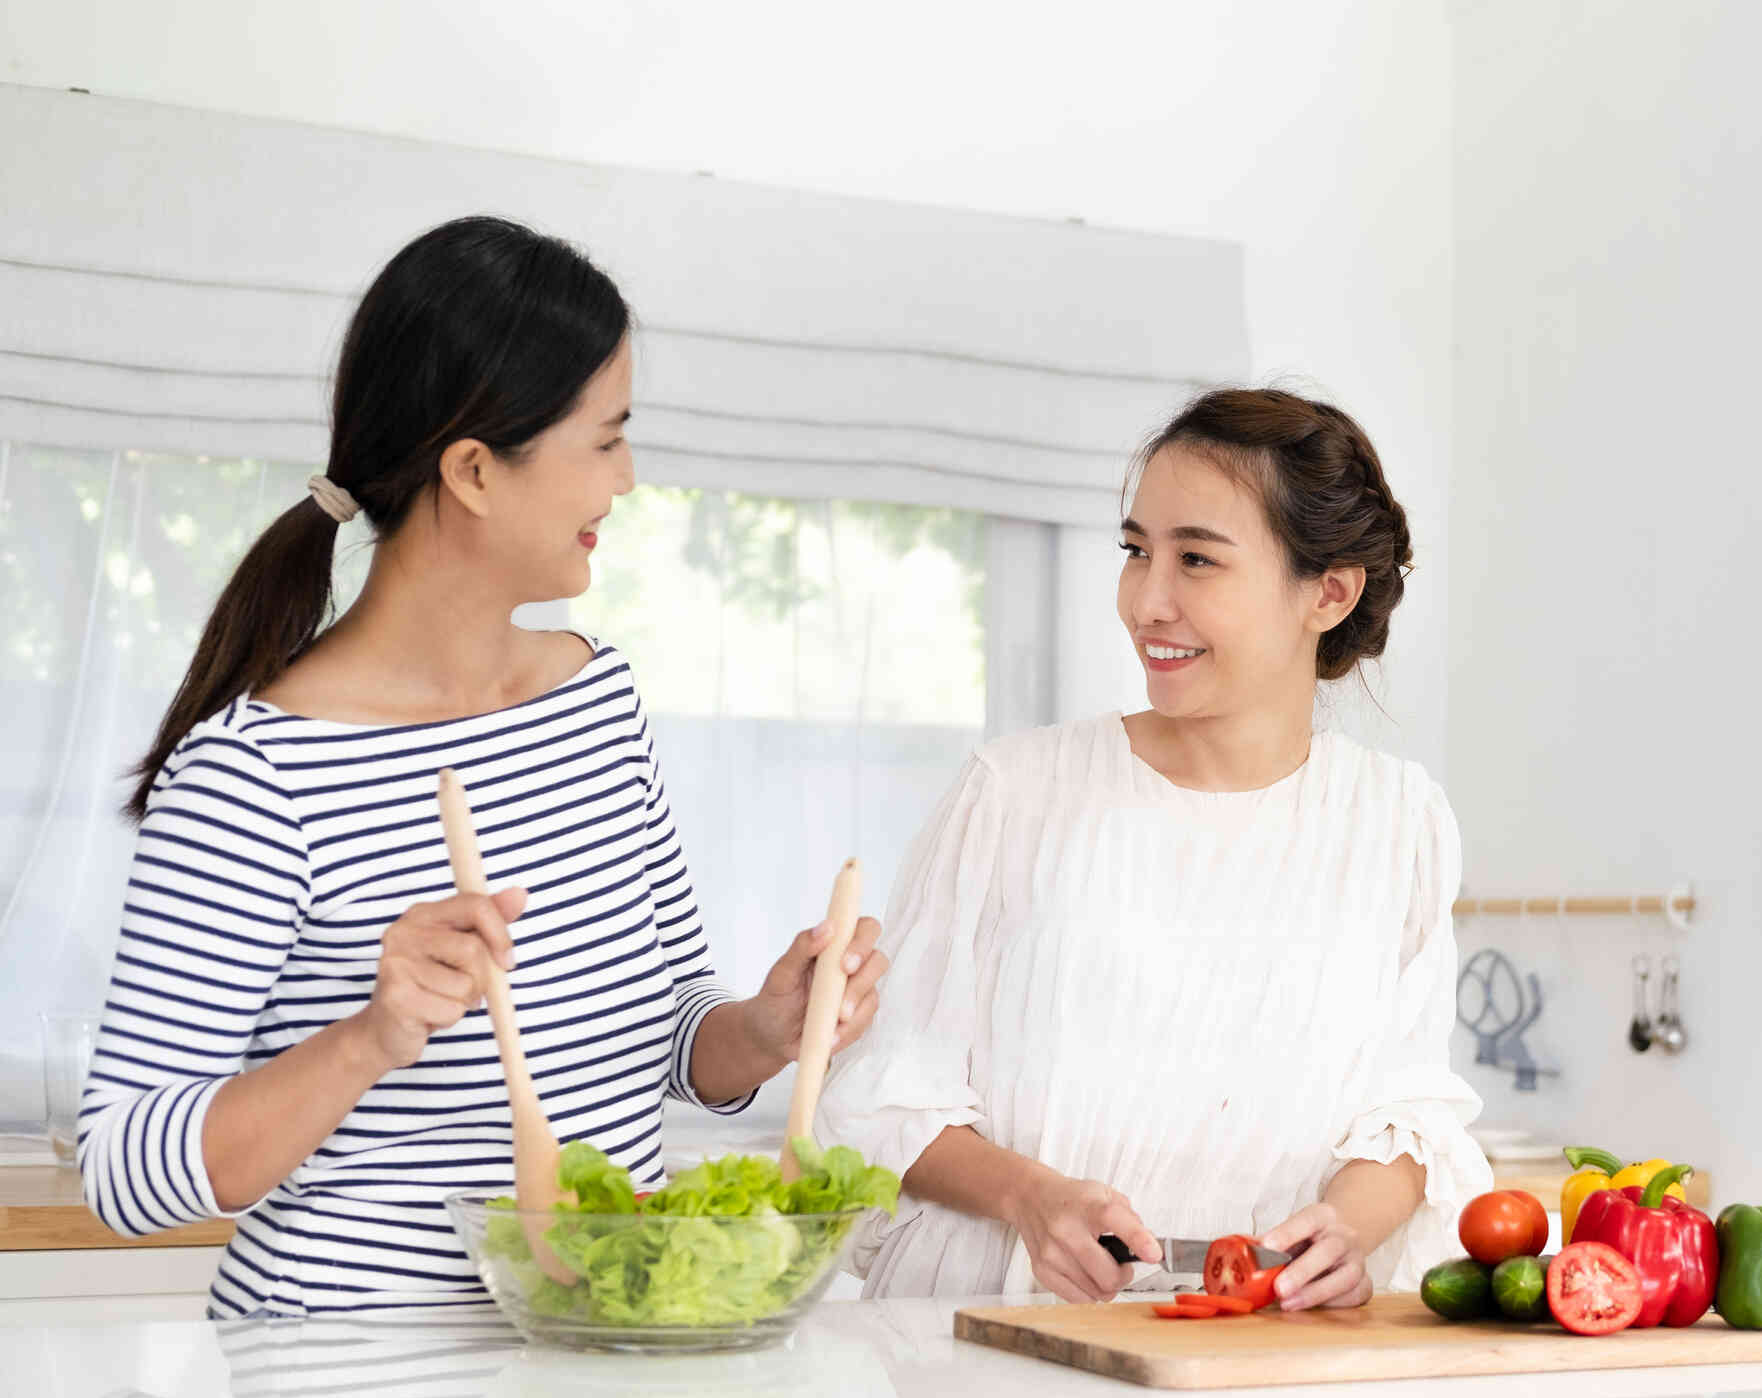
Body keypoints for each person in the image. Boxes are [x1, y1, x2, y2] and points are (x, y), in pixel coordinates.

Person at [77, 216, 888, 1318]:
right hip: (343, 1374)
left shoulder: (596, 697)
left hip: (594, 1352)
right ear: (473, 470)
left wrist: (765, 1027)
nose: (629, 477)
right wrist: (373, 1034)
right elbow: (122, 1170)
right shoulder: (256, 774)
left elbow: (669, 1033)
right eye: (605, 439)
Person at [817, 388, 1490, 1309]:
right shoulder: (1015, 794)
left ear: (1328, 592)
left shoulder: (1397, 820)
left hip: (1266, 1340)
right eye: (1136, 552)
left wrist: (1349, 1227)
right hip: (1001, 1318)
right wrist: (1031, 1197)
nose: (1147, 601)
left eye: (1197, 559)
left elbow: (1406, 1113)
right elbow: (887, 1098)